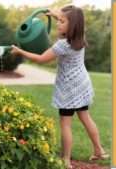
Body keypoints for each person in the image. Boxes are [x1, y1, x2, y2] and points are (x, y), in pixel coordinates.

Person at [10, 5, 108, 169]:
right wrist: (55, 14)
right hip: (82, 83)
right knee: (85, 117)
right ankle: (99, 150)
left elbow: (41, 59)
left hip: (69, 88)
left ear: (72, 25)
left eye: (62, 22)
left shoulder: (63, 45)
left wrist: (20, 52)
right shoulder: (80, 37)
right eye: (59, 20)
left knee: (65, 124)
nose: (58, 24)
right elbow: (69, 21)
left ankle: (66, 160)